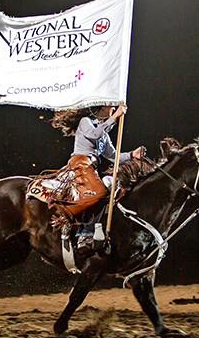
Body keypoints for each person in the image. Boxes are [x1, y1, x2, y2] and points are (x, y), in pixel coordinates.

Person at [50, 104, 142, 250]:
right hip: (80, 163)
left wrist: (132, 155)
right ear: (103, 107)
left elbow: (113, 156)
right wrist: (115, 117)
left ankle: (87, 230)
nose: (113, 108)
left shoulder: (103, 133)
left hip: (91, 166)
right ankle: (68, 219)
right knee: (98, 192)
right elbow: (94, 134)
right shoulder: (86, 121)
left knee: (109, 192)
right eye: (111, 106)